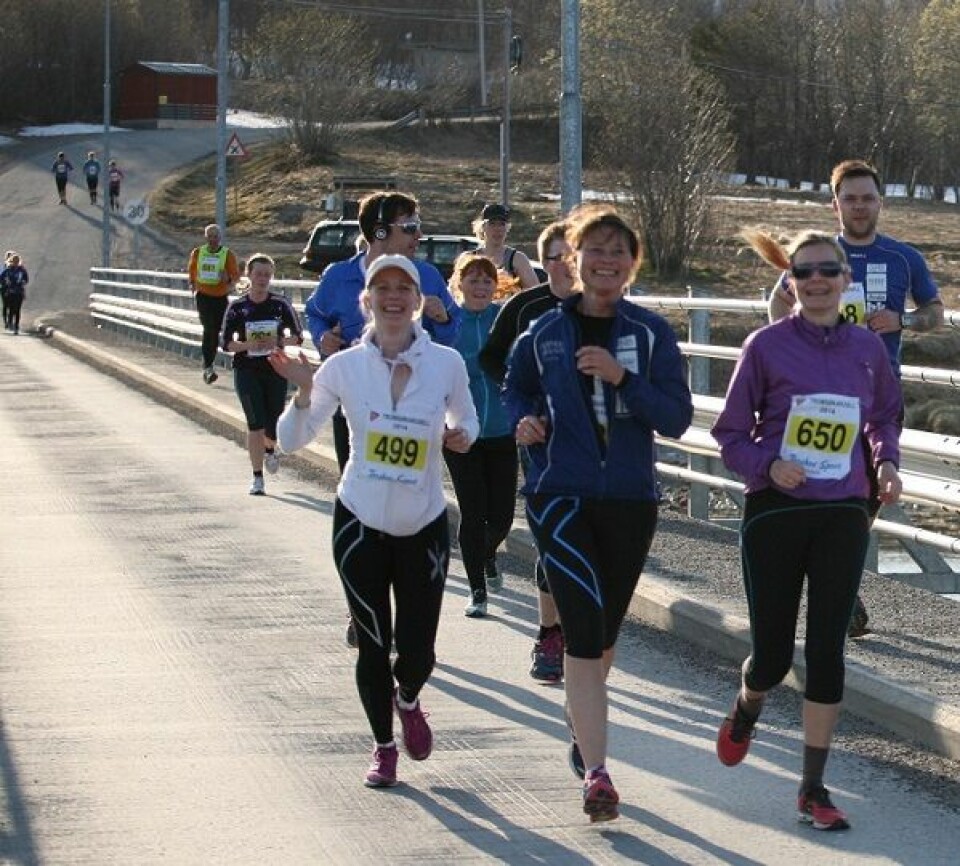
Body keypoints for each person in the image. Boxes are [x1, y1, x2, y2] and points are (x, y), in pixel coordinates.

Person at [503, 205, 693, 823]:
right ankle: (600, 775)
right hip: (560, 496)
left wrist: (620, 379)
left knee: (603, 640)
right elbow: (516, 388)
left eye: (618, 252)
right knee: (583, 636)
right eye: (594, 250)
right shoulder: (546, 332)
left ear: (632, 264)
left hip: (631, 501)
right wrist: (523, 422)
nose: (605, 261)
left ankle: (582, 729)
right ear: (572, 259)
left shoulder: (652, 334)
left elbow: (677, 417)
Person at [712, 229, 903, 832]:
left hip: (844, 510)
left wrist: (887, 461)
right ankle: (749, 704)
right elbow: (730, 434)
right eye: (804, 272)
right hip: (776, 508)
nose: (816, 281)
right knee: (770, 659)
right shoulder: (765, 346)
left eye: (827, 271)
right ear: (790, 282)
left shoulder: (867, 350)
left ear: (846, 280)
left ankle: (813, 788)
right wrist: (769, 465)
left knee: (827, 651)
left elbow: (883, 416)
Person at [269, 254, 478, 789]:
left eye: (402, 288)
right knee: (371, 641)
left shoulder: (446, 363)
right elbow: (293, 440)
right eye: (381, 288)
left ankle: (407, 698)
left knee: (419, 651)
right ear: (367, 300)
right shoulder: (342, 368)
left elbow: (467, 419)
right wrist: (299, 388)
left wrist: (461, 437)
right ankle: (383, 747)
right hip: (359, 520)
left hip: (424, 522)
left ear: (417, 301)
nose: (392, 297)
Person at [767, 159, 943, 638]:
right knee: (827, 494)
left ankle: (834, 582)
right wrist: (790, 347)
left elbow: (936, 312)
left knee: (866, 500)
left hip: (879, 398)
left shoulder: (903, 258)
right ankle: (840, 596)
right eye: (851, 198)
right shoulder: (821, 255)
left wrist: (902, 321)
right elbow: (779, 301)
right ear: (836, 204)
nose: (860, 206)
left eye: (868, 198)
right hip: (822, 398)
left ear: (880, 202)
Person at [304, 190, 461, 648]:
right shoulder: (338, 276)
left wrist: (442, 312)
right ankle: (364, 607)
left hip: (414, 412)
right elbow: (315, 314)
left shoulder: (428, 275)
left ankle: (409, 612)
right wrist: (324, 339)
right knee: (361, 498)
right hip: (357, 406)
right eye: (408, 227)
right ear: (378, 233)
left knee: (410, 501)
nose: (418, 235)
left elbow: (450, 335)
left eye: (417, 225)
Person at [479, 219, 576, 682]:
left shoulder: (607, 309)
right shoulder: (525, 306)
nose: (565, 265)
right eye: (555, 256)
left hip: (596, 443)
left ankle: (587, 634)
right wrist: (519, 404)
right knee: (552, 536)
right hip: (540, 438)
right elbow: (491, 357)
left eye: (573, 255)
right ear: (544, 262)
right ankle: (550, 632)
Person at [443, 254, 518, 618]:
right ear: (459, 283)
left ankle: (487, 552)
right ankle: (477, 590)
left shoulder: (503, 320)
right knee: (473, 512)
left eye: (487, 280)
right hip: (460, 432)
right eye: (473, 279)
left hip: (502, 429)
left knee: (501, 516)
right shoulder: (447, 323)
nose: (481, 286)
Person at [220, 253, 304, 495]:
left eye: (267, 275)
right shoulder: (237, 307)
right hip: (246, 370)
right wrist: (248, 345)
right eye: (258, 274)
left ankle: (270, 449)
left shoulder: (280, 304)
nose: (263, 279)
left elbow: (297, 336)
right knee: (254, 424)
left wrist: (277, 340)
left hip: (275, 368)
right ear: (248, 274)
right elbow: (226, 344)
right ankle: (257, 478)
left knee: (273, 422)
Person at [187, 223, 240, 385]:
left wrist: (228, 279)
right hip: (203, 296)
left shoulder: (227, 254)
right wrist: (192, 285)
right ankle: (208, 367)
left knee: (216, 330)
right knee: (208, 328)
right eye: (210, 236)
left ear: (220, 238)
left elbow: (236, 276)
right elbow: (191, 271)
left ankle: (209, 363)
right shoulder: (198, 253)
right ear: (206, 237)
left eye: (215, 236)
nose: (213, 240)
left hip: (220, 297)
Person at [462, 203, 539, 297]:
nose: (497, 229)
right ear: (483, 227)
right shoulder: (468, 259)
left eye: (502, 224)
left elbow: (535, 294)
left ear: (507, 228)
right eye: (492, 224)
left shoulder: (517, 260)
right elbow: (456, 292)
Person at [0, 252, 28, 335]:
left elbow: (26, 279)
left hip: (19, 292)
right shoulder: (8, 270)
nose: (15, 263)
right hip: (10, 292)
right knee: (11, 308)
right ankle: (9, 322)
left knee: (18, 309)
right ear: (11, 261)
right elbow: (1, 278)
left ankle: (16, 326)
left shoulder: (22, 270)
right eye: (14, 261)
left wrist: (23, 282)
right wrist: (6, 283)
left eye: (17, 261)